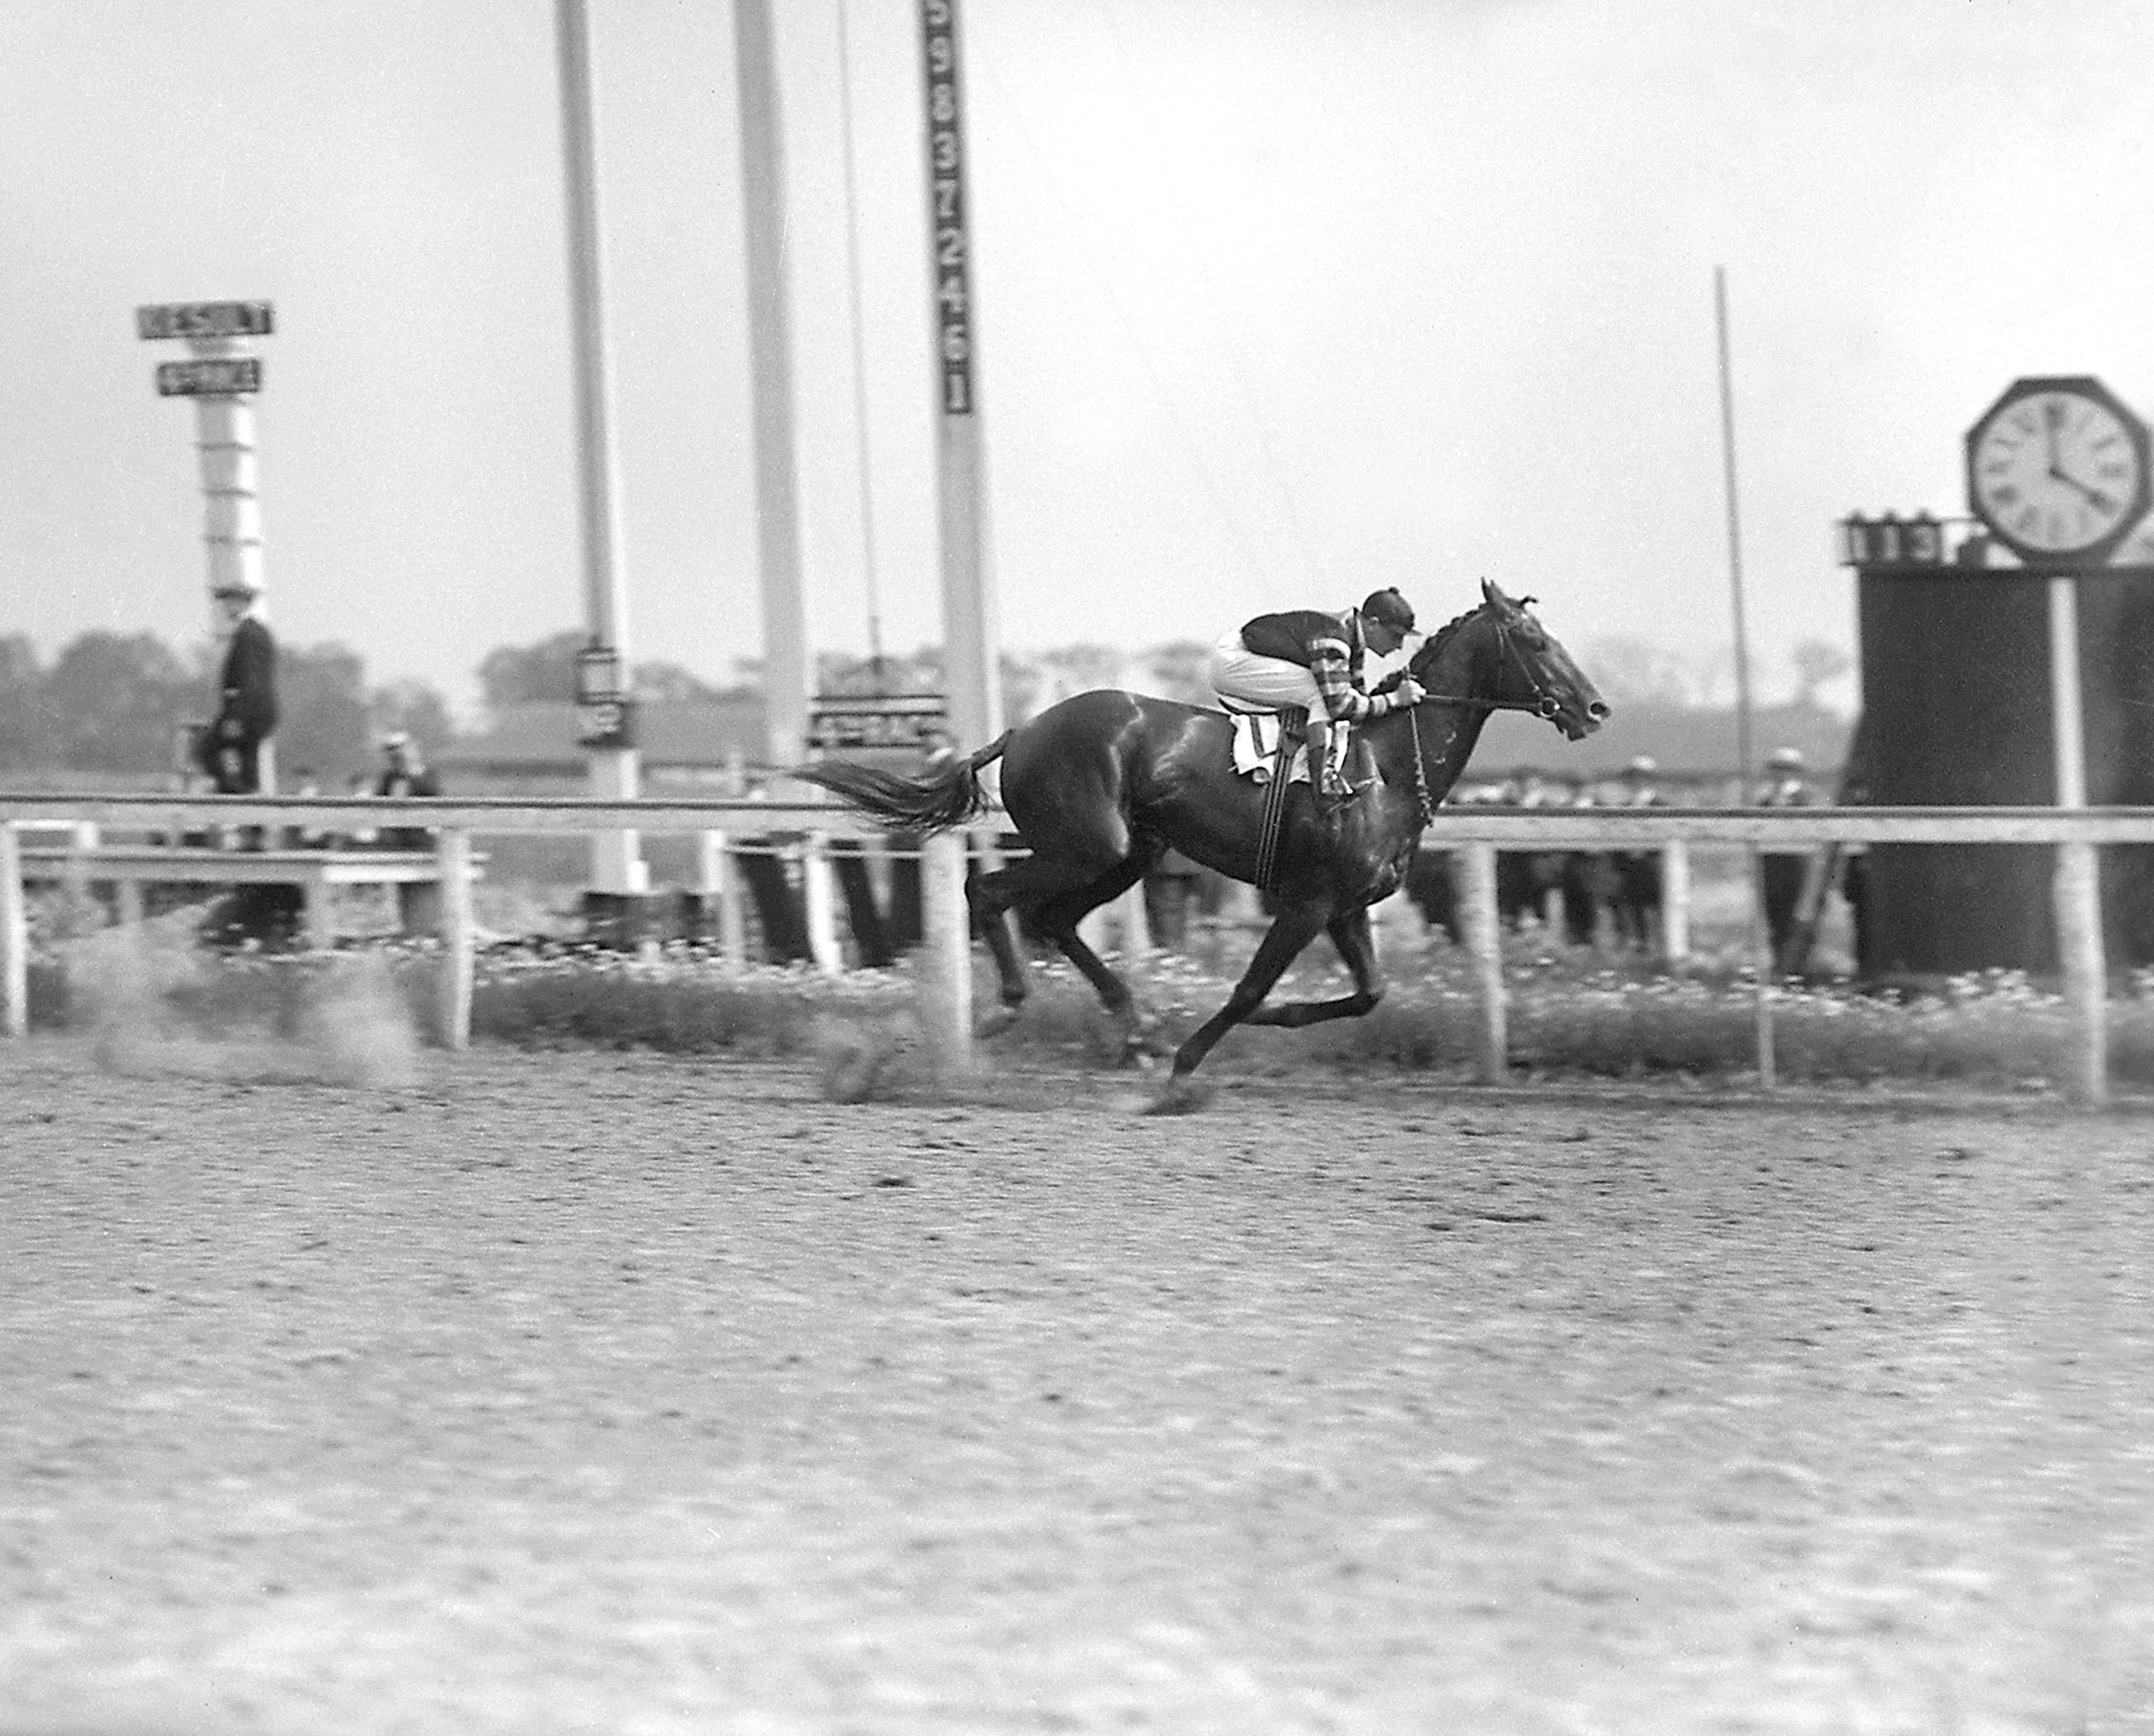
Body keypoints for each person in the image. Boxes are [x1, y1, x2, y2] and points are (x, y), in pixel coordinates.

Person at [1208, 587, 1426, 809]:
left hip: (1243, 655)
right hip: (1233, 661)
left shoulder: (1351, 638)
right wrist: (1395, 699)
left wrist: (1386, 701)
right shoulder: (1334, 640)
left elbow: (1358, 702)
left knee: (1324, 694)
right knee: (1319, 697)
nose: (1399, 646)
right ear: (1373, 623)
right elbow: (1340, 707)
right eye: (1396, 636)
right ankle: (1323, 788)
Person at [198, 577, 278, 804]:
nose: (224, 607)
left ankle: (234, 793)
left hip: (247, 711)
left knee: (210, 748)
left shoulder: (249, 635)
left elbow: (250, 681)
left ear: (242, 603)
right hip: (257, 711)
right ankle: (250, 817)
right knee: (246, 763)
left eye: (229, 601)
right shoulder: (255, 632)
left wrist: (235, 717)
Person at [1757, 746, 1820, 965]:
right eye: (1776, 768)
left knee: (1798, 917)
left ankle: (1798, 966)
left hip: (1797, 865)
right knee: (1775, 917)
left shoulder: (1805, 798)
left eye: (1786, 768)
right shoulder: (1764, 801)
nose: (1780, 773)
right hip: (1772, 866)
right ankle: (1779, 964)